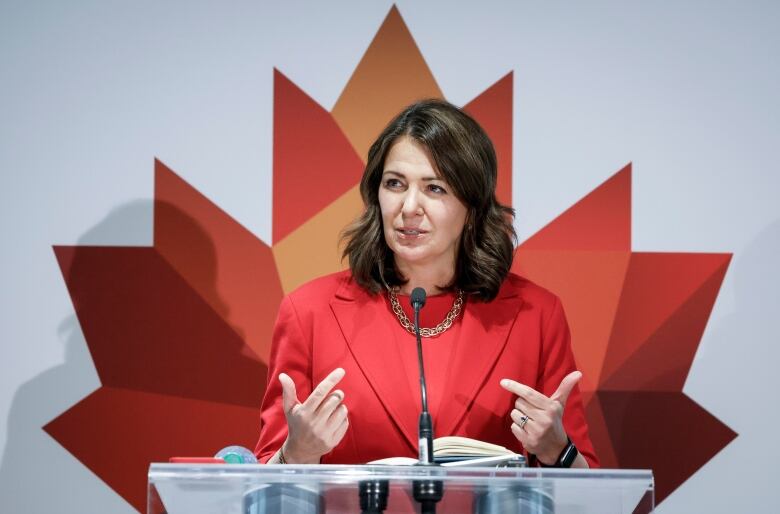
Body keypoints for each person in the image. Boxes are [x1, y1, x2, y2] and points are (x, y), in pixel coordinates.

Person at [254, 99, 598, 468]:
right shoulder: (309, 312)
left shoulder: (537, 314)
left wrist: (556, 451)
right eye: (395, 184)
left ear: (472, 208)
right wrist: (298, 453)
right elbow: (264, 484)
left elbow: (592, 493)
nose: (409, 207)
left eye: (434, 188)